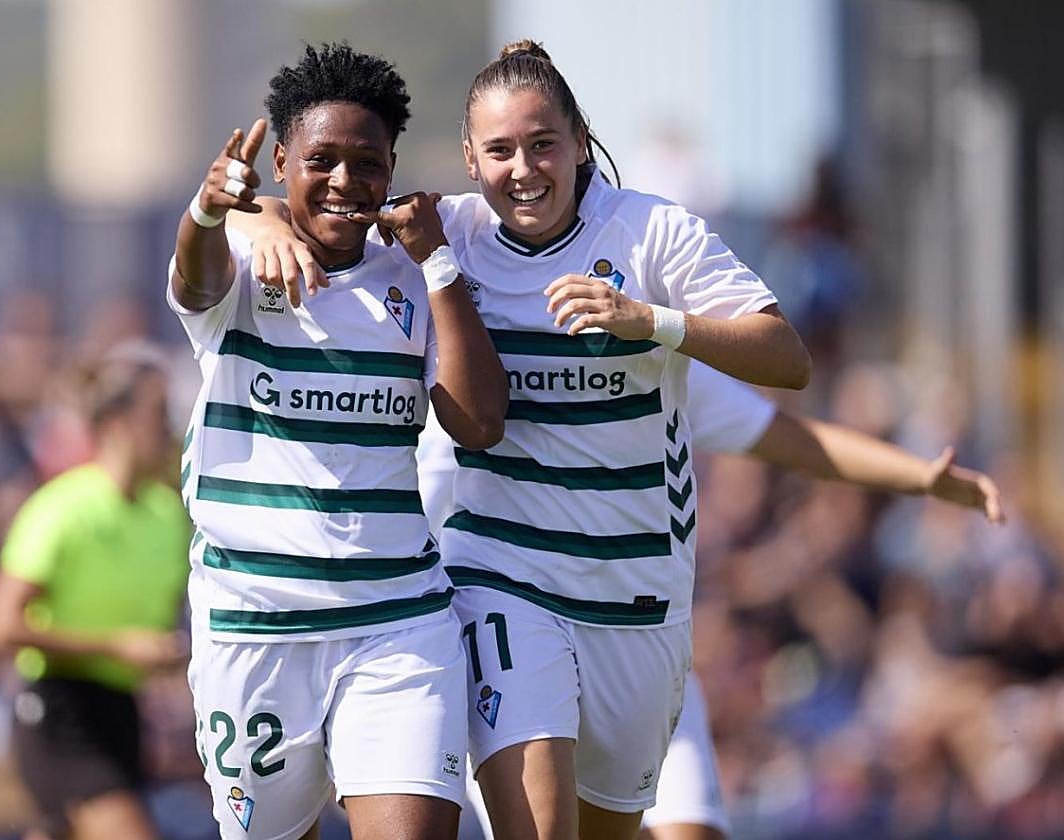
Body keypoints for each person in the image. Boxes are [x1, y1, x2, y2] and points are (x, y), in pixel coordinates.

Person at [236, 38, 811, 840]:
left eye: (543, 145)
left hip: (636, 598)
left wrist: (652, 322)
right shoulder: (450, 237)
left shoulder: (652, 233)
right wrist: (258, 213)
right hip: (501, 578)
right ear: (470, 158)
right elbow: (327, 205)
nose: (524, 169)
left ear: (580, 142)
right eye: (500, 150)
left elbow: (787, 357)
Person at [421, 361, 1002, 840]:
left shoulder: (648, 354)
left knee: (691, 831)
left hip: (639, 639)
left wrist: (923, 477)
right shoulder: (442, 353)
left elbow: (785, 436)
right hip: (515, 639)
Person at [170, 43, 506, 840]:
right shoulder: (244, 257)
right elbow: (193, 278)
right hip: (256, 623)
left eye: (369, 162)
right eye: (322, 160)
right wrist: (216, 209)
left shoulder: (412, 280)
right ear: (280, 159)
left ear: (393, 168)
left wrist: (439, 267)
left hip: (399, 621)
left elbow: (478, 422)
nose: (346, 182)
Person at [0, 345, 192, 840]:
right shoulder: (61, 509)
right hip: (60, 714)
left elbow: (159, 627)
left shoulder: (167, 516)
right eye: (157, 414)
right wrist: (115, 645)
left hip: (123, 715)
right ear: (116, 423)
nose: (168, 428)